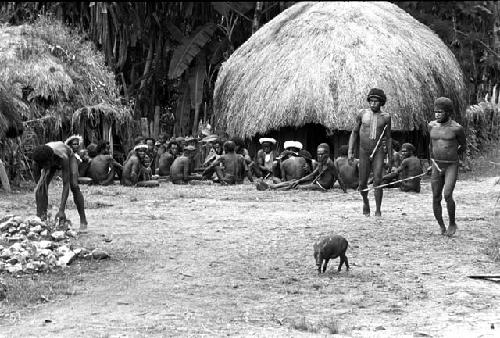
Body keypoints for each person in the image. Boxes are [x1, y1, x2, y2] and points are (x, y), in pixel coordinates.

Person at [348, 88, 392, 216]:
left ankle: (378, 208)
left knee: (378, 179)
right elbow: (354, 133)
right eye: (371, 101)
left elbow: (388, 138)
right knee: (362, 182)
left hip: (378, 151)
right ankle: (365, 201)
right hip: (363, 151)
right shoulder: (362, 114)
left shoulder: (386, 117)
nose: (373, 104)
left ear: (381, 103)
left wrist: (389, 158)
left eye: (376, 101)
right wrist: (350, 152)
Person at [428, 97, 466, 236]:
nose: (437, 114)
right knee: (436, 197)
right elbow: (431, 145)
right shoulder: (431, 126)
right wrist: (430, 161)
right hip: (436, 165)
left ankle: (452, 222)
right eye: (435, 112)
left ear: (448, 113)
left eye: (440, 112)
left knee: (447, 194)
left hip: (451, 165)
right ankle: (441, 226)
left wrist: (453, 156)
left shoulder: (456, 128)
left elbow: (463, 146)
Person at [32, 141, 88, 233]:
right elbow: (39, 188)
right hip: (51, 160)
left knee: (74, 185)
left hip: (70, 157)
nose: (45, 168)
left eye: (46, 165)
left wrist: (61, 210)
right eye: (43, 166)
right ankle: (42, 218)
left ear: (50, 160)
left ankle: (83, 220)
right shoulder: (37, 161)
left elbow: (66, 184)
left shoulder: (63, 157)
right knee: (41, 186)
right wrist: (40, 214)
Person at [256, 143, 338, 191]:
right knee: (294, 181)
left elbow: (337, 178)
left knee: (296, 186)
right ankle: (271, 186)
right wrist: (300, 180)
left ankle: (272, 188)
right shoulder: (318, 162)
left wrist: (344, 190)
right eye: (319, 154)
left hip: (320, 186)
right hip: (316, 182)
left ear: (327, 153)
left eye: (322, 154)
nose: (320, 156)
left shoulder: (330, 164)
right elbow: (313, 174)